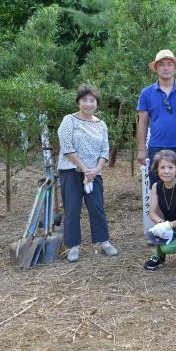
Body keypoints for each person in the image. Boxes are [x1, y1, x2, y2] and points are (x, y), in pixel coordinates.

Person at [57, 84, 118, 262]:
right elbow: (66, 147)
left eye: (92, 100)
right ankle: (73, 246)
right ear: (78, 101)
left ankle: (104, 242)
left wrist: (96, 169)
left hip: (94, 174)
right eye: (84, 100)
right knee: (72, 209)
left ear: (97, 103)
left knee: (97, 208)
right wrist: (83, 168)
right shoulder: (69, 120)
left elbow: (104, 151)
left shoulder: (101, 125)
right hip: (71, 171)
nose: (88, 103)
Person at [137, 49, 176, 186]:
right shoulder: (146, 93)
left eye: (169, 64)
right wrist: (142, 149)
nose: (165, 68)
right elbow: (142, 122)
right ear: (156, 68)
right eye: (161, 64)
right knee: (157, 188)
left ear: (175, 67)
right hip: (156, 147)